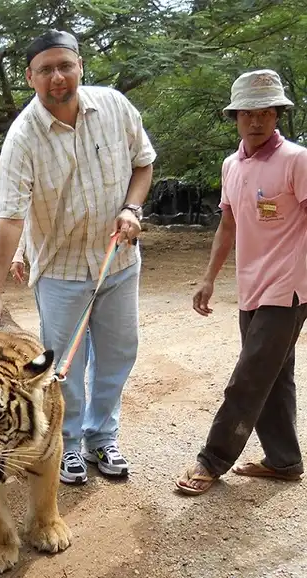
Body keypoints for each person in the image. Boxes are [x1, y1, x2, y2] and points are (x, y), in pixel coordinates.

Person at [0, 29, 156, 485]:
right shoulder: (22, 139)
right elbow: (9, 217)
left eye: (65, 65)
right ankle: (68, 445)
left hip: (118, 262)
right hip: (61, 272)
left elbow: (143, 163)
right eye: (45, 69)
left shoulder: (113, 107)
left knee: (118, 353)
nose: (57, 77)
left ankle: (102, 437)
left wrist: (132, 208)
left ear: (80, 66)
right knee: (63, 365)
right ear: (30, 77)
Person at [175, 69, 307, 496]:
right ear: (235, 116)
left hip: (289, 289)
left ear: (278, 115)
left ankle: (212, 459)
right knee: (274, 374)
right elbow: (227, 226)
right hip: (250, 288)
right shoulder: (231, 165)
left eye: (267, 112)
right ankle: (284, 461)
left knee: (249, 376)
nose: (257, 121)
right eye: (248, 113)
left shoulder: (297, 160)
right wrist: (209, 279)